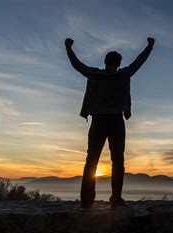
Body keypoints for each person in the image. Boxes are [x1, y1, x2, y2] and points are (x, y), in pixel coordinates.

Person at [65, 37, 154, 209]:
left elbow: (76, 64)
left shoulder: (94, 74)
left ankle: (86, 201)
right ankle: (116, 199)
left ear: (105, 61)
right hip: (116, 121)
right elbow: (139, 62)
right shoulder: (123, 74)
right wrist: (150, 46)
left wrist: (68, 48)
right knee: (118, 161)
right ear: (119, 63)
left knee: (92, 160)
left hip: (98, 120)